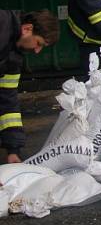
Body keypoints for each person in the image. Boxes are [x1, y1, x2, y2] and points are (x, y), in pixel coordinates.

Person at [1, 9, 59, 163]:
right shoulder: (2, 25)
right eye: (38, 43)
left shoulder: (13, 59)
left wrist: (13, 150)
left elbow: (8, 100)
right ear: (27, 29)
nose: (37, 50)